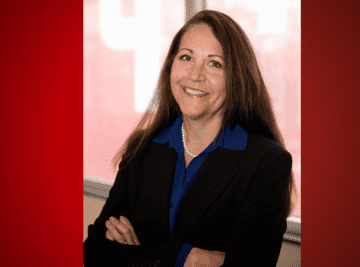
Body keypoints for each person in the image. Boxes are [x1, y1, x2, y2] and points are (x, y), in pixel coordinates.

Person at [84, 10, 295, 267]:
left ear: (236, 78)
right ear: (171, 65)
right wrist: (187, 258)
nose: (195, 75)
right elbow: (94, 252)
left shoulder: (267, 163)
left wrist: (139, 255)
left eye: (214, 63)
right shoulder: (142, 147)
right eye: (186, 57)